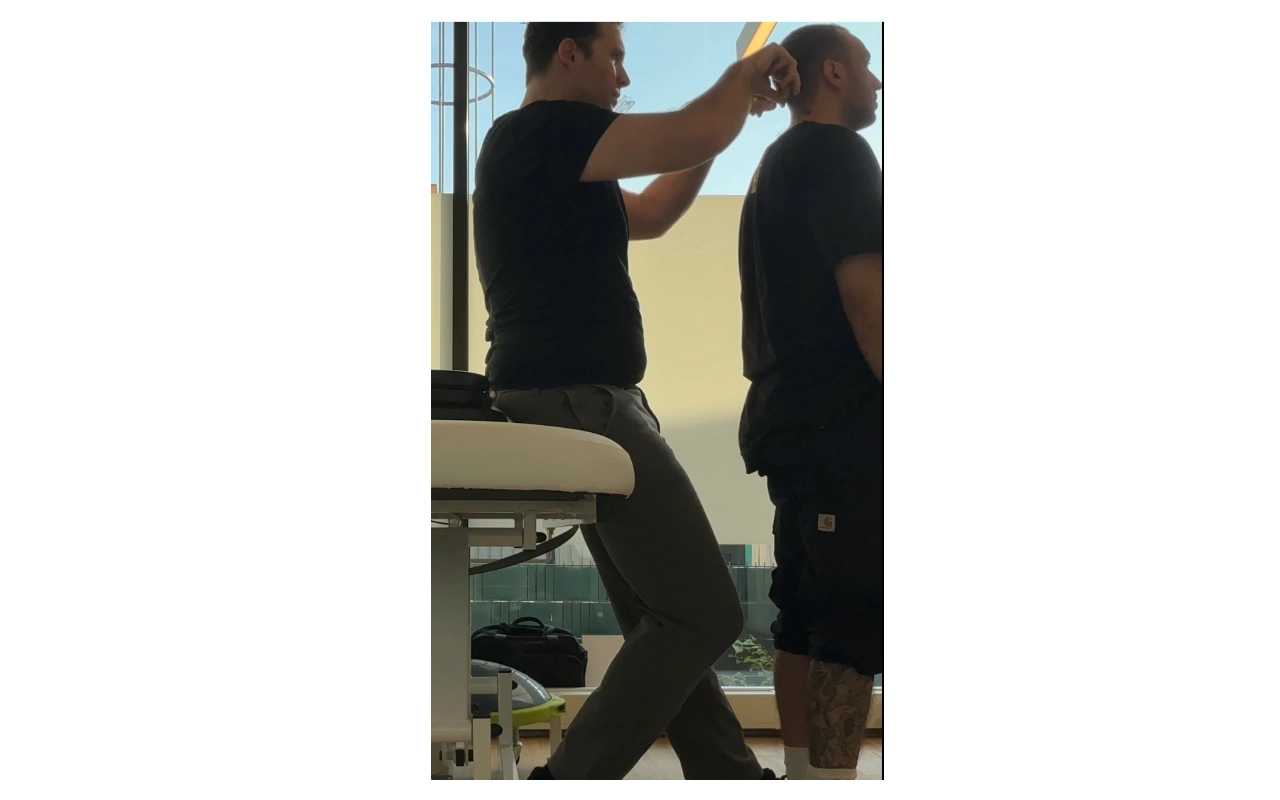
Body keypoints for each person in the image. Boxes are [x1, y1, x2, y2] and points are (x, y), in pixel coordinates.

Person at [472, 22, 800, 779]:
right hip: (580, 402)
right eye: (615, 56)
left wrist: (719, 127)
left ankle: (731, 777)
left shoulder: (551, 159)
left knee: (665, 619)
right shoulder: (545, 130)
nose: (623, 77)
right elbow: (691, 128)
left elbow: (652, 211)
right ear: (569, 52)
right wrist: (742, 76)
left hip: (579, 400)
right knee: (705, 614)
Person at [736, 24, 884, 780]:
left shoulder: (772, 165)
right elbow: (866, 295)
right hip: (840, 423)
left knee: (802, 611)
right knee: (849, 622)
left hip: (789, 422)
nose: (877, 83)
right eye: (867, 66)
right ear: (833, 71)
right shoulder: (838, 154)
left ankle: (803, 778)